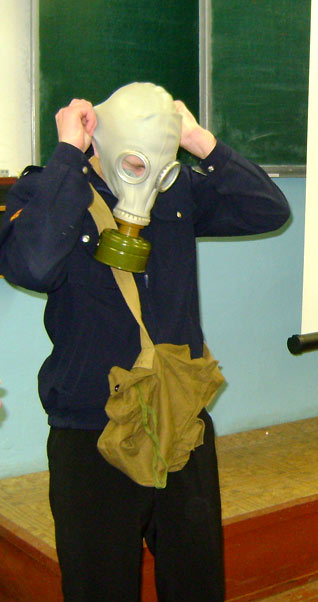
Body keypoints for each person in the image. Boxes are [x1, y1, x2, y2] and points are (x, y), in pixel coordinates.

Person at [0, 83, 290, 601]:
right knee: (100, 587)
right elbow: (32, 265)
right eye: (136, 165)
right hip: (92, 429)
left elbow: (268, 210)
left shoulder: (175, 192)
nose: (148, 182)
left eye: (161, 169)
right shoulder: (50, 191)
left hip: (178, 419)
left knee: (197, 582)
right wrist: (68, 155)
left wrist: (200, 142)